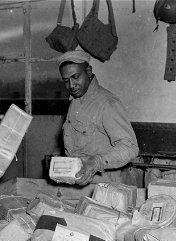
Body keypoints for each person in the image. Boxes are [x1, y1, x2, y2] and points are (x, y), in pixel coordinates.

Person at [58, 50, 139, 185]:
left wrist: (97, 162)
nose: (71, 85)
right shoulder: (75, 101)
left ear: (89, 72)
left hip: (107, 184)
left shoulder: (107, 104)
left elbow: (130, 148)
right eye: (66, 81)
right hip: (81, 182)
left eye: (76, 77)